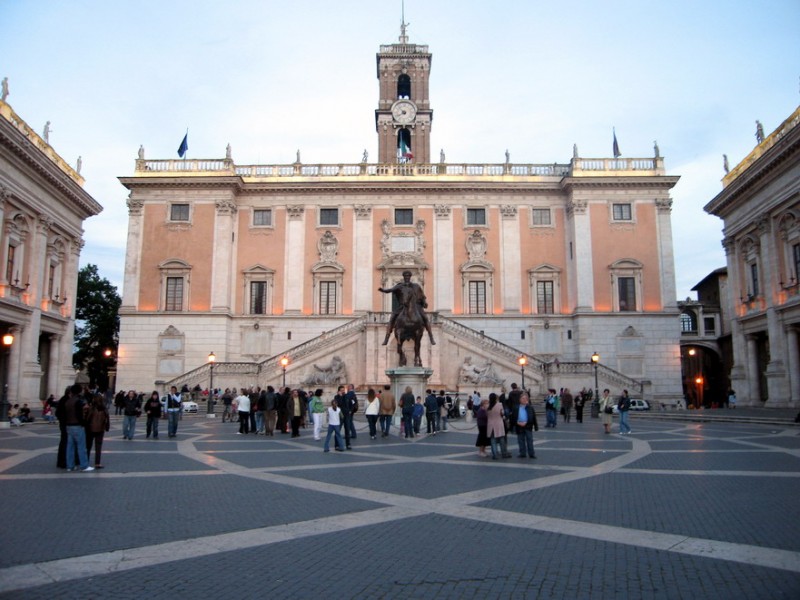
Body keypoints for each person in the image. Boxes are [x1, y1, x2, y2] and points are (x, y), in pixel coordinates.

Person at [378, 270, 436, 346]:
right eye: (405, 276)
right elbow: (390, 290)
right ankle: (387, 337)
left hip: (416, 306)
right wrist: (383, 290)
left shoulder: (416, 286)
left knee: (425, 318)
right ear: (404, 277)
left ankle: (431, 336)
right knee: (392, 318)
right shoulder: (400, 286)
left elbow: (422, 296)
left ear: (410, 277)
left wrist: (424, 302)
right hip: (403, 306)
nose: (407, 278)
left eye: (408, 276)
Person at [62, 384, 93, 472]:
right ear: (79, 391)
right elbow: (82, 413)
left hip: (69, 425)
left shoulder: (68, 401)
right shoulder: (78, 401)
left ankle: (70, 466)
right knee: (81, 447)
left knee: (70, 447)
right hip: (77, 425)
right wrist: (83, 422)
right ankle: (84, 465)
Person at [85, 393, 110, 468]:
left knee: (88, 446)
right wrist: (107, 427)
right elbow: (107, 419)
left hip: (90, 429)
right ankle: (97, 463)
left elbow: (87, 418)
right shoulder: (104, 408)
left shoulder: (91, 408)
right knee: (98, 447)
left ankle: (86, 461)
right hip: (100, 429)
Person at [487, 393, 511, 460]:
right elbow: (502, 413)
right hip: (499, 424)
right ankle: (504, 453)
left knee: (493, 440)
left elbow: (487, 415)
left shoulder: (488, 406)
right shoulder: (499, 405)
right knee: (501, 440)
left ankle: (495, 455)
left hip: (490, 425)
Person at [514, 392, 538, 458]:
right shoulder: (516, 407)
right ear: (520, 399)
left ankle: (531, 453)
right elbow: (514, 417)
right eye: (522, 398)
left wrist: (534, 426)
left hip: (528, 425)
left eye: (525, 398)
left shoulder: (530, 407)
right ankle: (522, 453)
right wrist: (517, 422)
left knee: (529, 440)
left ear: (527, 399)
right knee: (520, 440)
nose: (524, 400)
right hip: (519, 425)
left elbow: (532, 417)